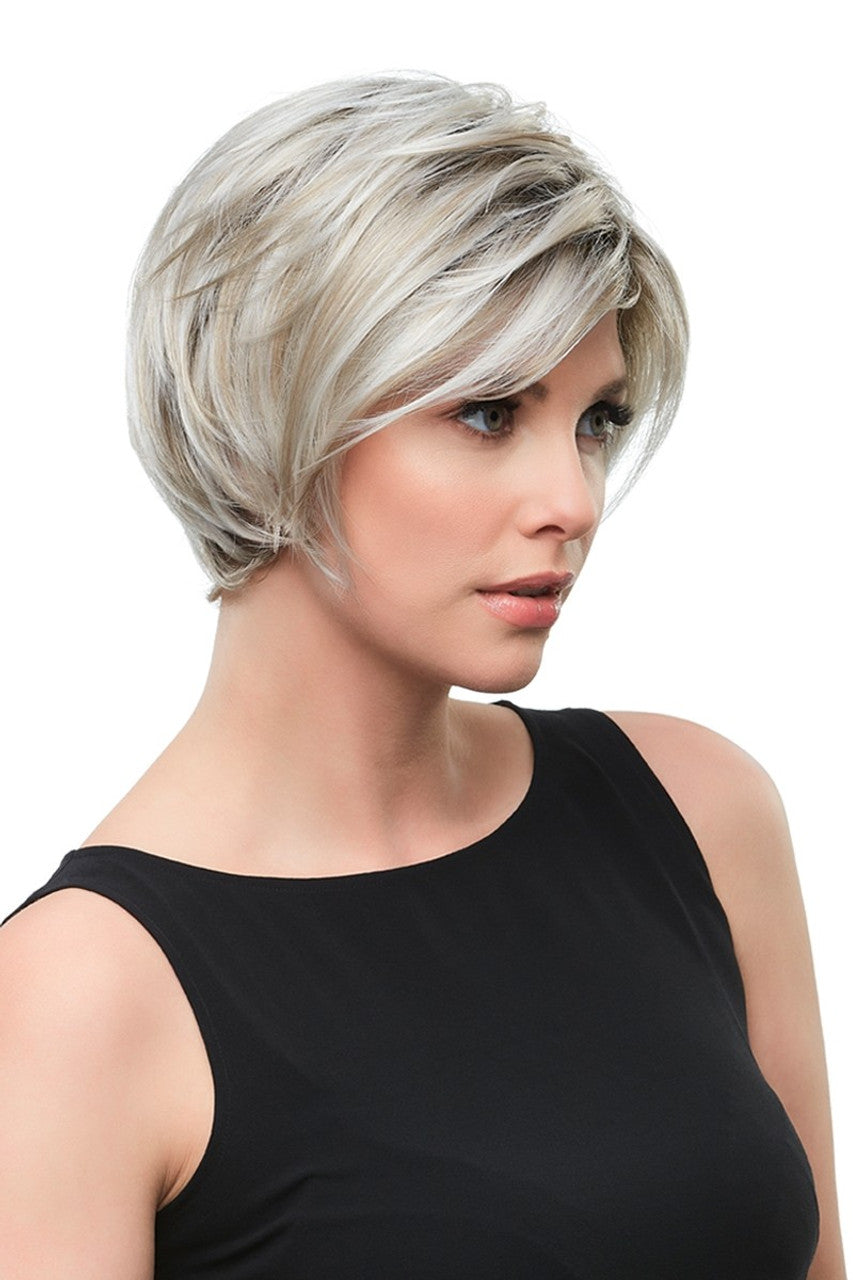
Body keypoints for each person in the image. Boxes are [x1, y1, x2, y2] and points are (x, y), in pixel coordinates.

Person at [0, 74, 844, 1279]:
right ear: (270, 409)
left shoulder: (696, 810)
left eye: (597, 420)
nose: (572, 499)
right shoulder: (78, 997)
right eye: (489, 412)